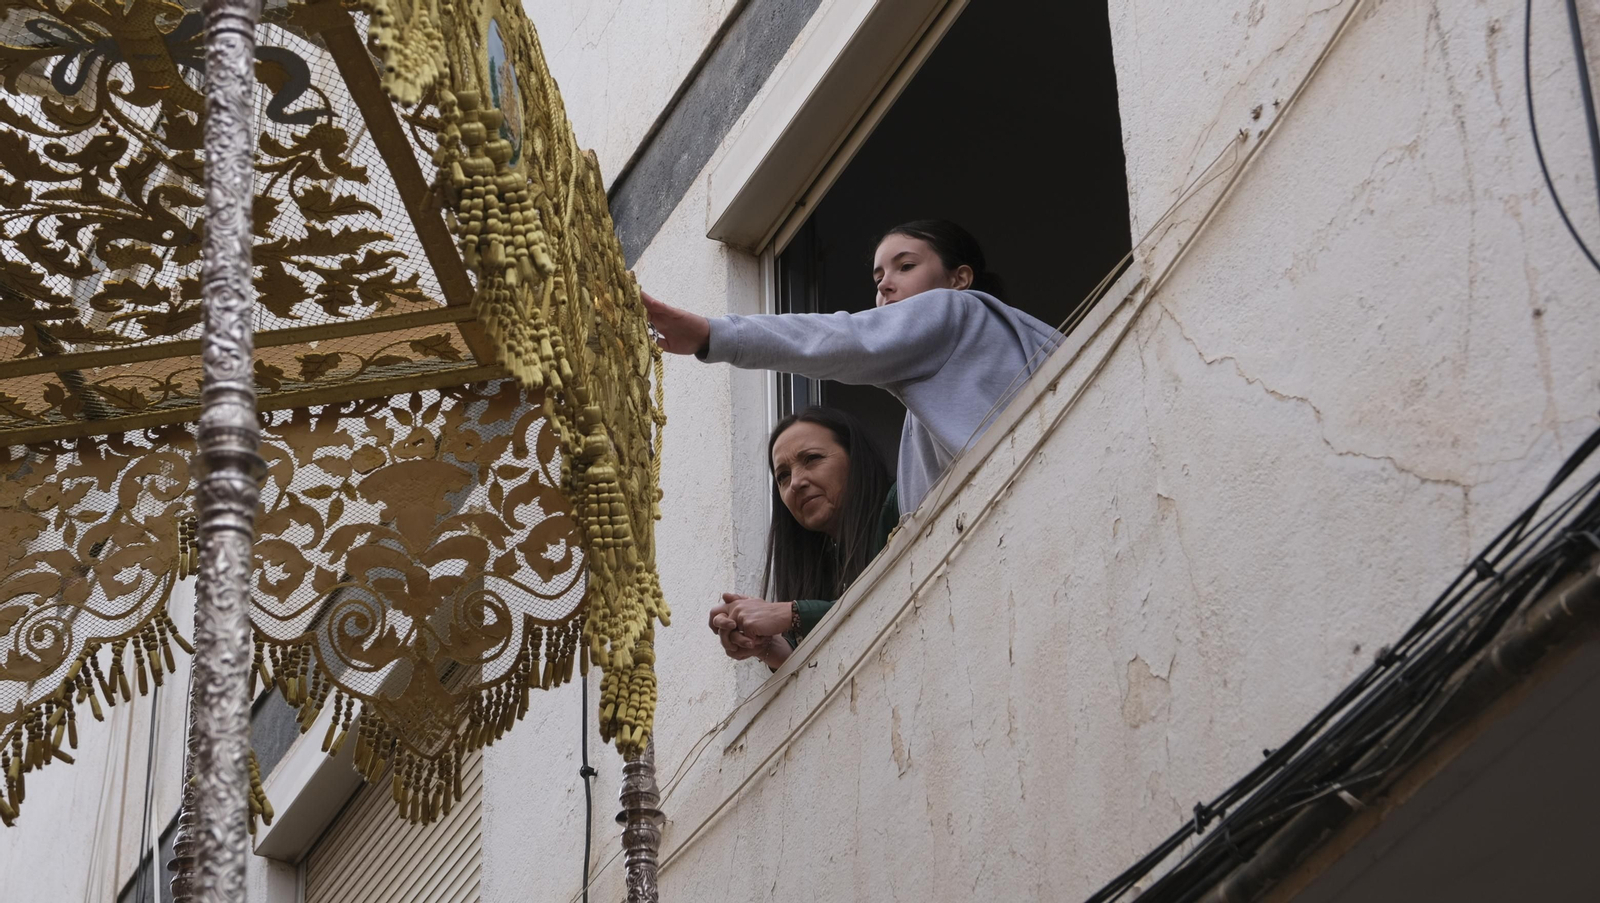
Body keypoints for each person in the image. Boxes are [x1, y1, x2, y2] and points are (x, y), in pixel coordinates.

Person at [644, 219, 1060, 520]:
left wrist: (711, 335)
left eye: (905, 266)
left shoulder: (954, 306)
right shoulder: (995, 345)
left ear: (959, 278)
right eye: (878, 275)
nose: (884, 284)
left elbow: (840, 338)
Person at [710, 407, 897, 669]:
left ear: (856, 458)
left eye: (811, 458)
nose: (795, 482)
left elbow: (892, 602)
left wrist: (792, 613)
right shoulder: (827, 564)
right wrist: (766, 645)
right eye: (783, 476)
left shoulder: (902, 503)